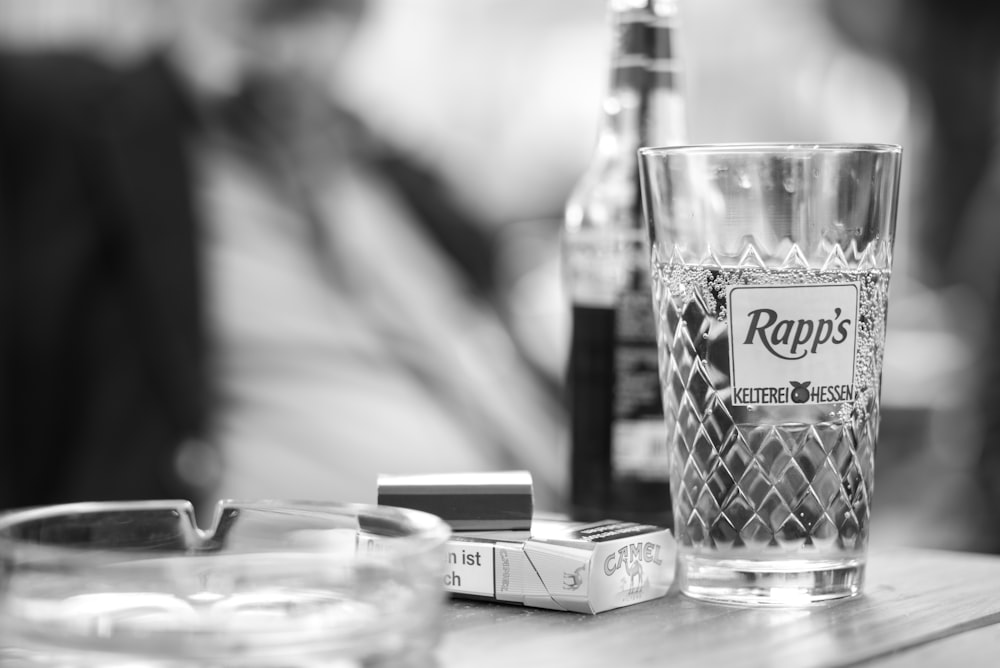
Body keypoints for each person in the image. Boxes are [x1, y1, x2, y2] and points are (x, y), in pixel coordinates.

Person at [0, 0, 567, 517]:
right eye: (274, 23)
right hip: (298, 590)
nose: (293, 51)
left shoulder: (378, 170)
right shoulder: (89, 127)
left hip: (562, 548)